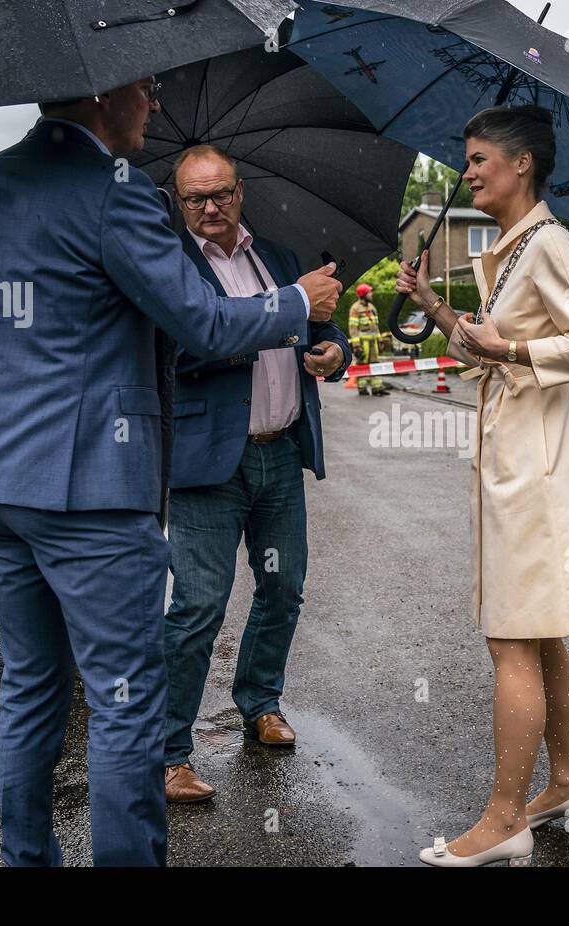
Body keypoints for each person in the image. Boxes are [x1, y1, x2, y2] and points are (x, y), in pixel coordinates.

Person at [0, 78, 342, 866]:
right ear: (103, 93)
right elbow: (201, 319)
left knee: (29, 684)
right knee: (125, 702)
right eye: (148, 91)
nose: (154, 107)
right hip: (86, 483)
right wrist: (297, 300)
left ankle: (29, 860)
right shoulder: (114, 192)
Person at [395, 105, 569, 867]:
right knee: (540, 629)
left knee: (510, 639)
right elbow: (486, 353)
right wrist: (433, 305)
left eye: (476, 159)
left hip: (539, 471)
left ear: (521, 163)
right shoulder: (515, 246)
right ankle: (566, 781)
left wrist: (516, 345)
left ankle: (505, 819)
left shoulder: (549, 241)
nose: (467, 171)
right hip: (521, 462)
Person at [160, 146, 352, 802]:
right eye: (194, 199)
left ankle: (260, 701)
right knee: (197, 607)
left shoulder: (279, 256)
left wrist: (332, 353)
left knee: (282, 588)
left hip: (279, 452)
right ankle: (167, 752)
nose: (209, 209)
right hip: (208, 464)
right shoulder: (169, 264)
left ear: (241, 192)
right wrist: (280, 317)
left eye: (220, 195)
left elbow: (326, 326)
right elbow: (184, 349)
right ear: (177, 202)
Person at [348, 283, 386, 395]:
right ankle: (362, 388)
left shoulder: (372, 308)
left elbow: (376, 327)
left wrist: (380, 340)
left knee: (376, 364)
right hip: (362, 343)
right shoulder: (355, 308)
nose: (371, 294)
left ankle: (377, 387)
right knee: (362, 365)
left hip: (374, 342)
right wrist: (356, 346)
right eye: (369, 292)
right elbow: (353, 328)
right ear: (363, 294)